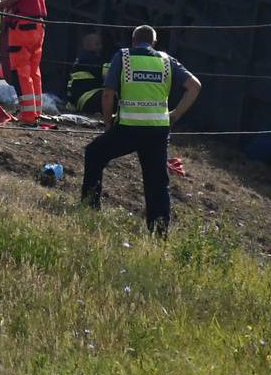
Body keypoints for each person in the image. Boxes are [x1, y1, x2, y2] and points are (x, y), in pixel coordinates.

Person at [80, 25, 202, 235]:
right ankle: (159, 231)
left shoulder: (124, 57)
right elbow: (195, 86)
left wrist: (108, 123)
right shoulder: (166, 60)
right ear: (154, 43)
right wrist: (175, 114)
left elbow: (108, 94)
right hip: (158, 131)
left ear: (133, 40)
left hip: (129, 128)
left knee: (94, 154)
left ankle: (90, 206)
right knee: (157, 181)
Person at [63, 31, 108, 116]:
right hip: (86, 98)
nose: (100, 47)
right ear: (87, 46)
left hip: (77, 99)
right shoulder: (89, 59)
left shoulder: (83, 57)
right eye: (97, 44)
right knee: (110, 95)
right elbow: (107, 73)